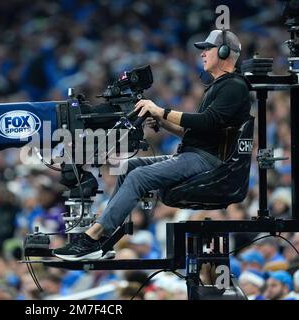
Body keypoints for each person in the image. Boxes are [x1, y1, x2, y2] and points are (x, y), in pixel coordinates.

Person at [54, 29, 251, 261]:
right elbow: (194, 130)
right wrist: (160, 120)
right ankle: (106, 240)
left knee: (139, 177)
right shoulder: (219, 86)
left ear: (225, 52)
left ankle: (91, 239)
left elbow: (208, 121)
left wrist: (162, 111)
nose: (202, 54)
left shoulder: (234, 86)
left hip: (209, 161)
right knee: (129, 167)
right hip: (194, 154)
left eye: (207, 49)